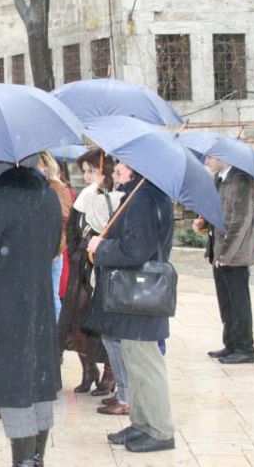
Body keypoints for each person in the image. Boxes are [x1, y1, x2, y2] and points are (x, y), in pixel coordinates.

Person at [0, 161, 62, 467]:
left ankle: (23, 462)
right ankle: (36, 459)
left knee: (14, 383)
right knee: (39, 380)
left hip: (5, 305)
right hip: (39, 301)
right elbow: (52, 246)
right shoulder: (49, 195)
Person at [87, 162, 176, 453]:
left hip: (140, 294)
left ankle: (160, 431)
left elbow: (137, 249)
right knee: (134, 364)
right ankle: (142, 424)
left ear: (136, 170)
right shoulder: (142, 195)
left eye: (121, 167)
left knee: (146, 364)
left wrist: (101, 248)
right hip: (134, 295)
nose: (116, 171)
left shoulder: (144, 199)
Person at [60, 149, 126, 411]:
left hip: (107, 271)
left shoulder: (120, 198)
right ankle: (89, 371)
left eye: (92, 171)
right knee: (77, 323)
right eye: (84, 171)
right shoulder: (84, 198)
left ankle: (110, 375)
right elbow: (72, 230)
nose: (87, 176)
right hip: (83, 271)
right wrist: (79, 254)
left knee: (107, 324)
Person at [193, 155, 254, 364]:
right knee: (226, 303)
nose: (206, 161)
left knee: (239, 303)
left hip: (235, 255)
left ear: (223, 157)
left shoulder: (241, 180)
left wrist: (226, 255)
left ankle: (245, 349)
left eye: (209, 157)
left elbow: (241, 221)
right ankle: (231, 344)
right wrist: (204, 223)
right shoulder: (220, 179)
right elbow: (219, 212)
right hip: (219, 252)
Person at [38, 152, 73, 321]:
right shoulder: (35, 187)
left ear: (46, 166)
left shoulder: (56, 188)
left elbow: (64, 220)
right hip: (36, 251)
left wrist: (55, 248)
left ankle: (54, 342)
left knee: (51, 299)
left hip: (51, 251)